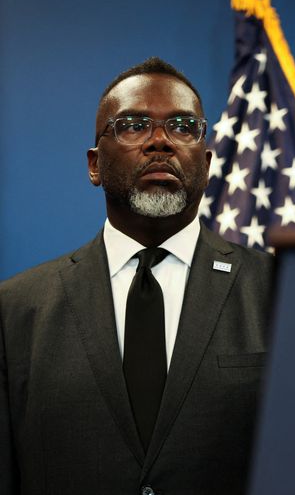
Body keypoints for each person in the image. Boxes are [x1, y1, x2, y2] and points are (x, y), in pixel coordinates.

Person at [0, 58, 272, 494]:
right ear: (94, 165)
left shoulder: (277, 294)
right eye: (132, 125)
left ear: (205, 164)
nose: (160, 142)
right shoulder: (14, 310)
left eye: (183, 127)